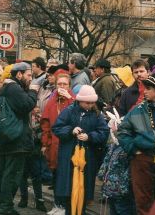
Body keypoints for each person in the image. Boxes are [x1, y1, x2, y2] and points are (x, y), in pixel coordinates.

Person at [118, 74, 155, 215]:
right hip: (142, 159)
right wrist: (133, 149)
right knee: (143, 199)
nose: (144, 91)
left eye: (148, 88)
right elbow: (122, 132)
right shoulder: (138, 110)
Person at [52, 85, 109, 215]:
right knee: (69, 189)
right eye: (87, 102)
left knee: (83, 189)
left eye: (92, 103)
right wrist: (71, 130)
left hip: (87, 158)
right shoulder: (69, 111)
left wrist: (90, 136)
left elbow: (104, 132)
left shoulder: (97, 115)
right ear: (80, 100)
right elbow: (56, 127)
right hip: (69, 157)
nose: (90, 105)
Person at [0, 61, 37, 215]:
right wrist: (33, 92)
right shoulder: (14, 88)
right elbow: (26, 105)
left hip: (8, 137)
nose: (31, 78)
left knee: (6, 172)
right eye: (29, 75)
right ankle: (6, 207)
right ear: (19, 74)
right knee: (12, 174)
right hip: (16, 140)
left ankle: (1, 202)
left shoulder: (7, 87)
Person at [40, 73, 75, 214]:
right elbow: (45, 125)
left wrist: (70, 98)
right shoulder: (52, 101)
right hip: (54, 144)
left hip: (69, 144)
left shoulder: (73, 100)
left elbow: (78, 115)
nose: (61, 87)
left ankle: (65, 206)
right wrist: (45, 143)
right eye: (59, 84)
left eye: (64, 84)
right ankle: (57, 204)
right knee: (55, 175)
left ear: (69, 86)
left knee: (66, 176)